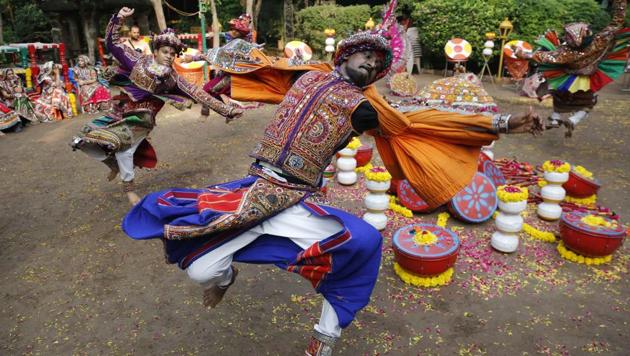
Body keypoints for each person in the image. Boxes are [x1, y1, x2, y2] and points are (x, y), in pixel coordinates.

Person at [123, 25, 543, 355]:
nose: (373, 65)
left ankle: (323, 337)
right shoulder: (306, 77)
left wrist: (499, 124)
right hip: (254, 187)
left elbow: (416, 119)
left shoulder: (364, 109)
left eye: (380, 65)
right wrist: (221, 91)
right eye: (368, 55)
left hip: (290, 199)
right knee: (201, 270)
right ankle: (226, 274)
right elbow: (258, 71)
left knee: (361, 245)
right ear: (345, 53)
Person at [70, 7, 242, 206]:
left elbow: (200, 95)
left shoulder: (173, 80)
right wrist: (118, 18)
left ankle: (129, 191)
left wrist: (227, 110)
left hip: (141, 119)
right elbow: (112, 43)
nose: (169, 56)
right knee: (83, 140)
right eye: (165, 51)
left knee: (124, 149)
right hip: (120, 111)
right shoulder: (136, 61)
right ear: (156, 50)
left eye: (173, 53)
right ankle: (112, 163)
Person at [516, 0, 628, 137]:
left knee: (561, 95)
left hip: (567, 76)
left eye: (568, 35)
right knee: (587, 100)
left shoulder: (567, 53)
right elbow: (616, 23)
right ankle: (571, 120)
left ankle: (557, 117)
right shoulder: (599, 41)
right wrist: (620, 3)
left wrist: (524, 54)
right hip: (587, 76)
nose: (565, 37)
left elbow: (546, 56)